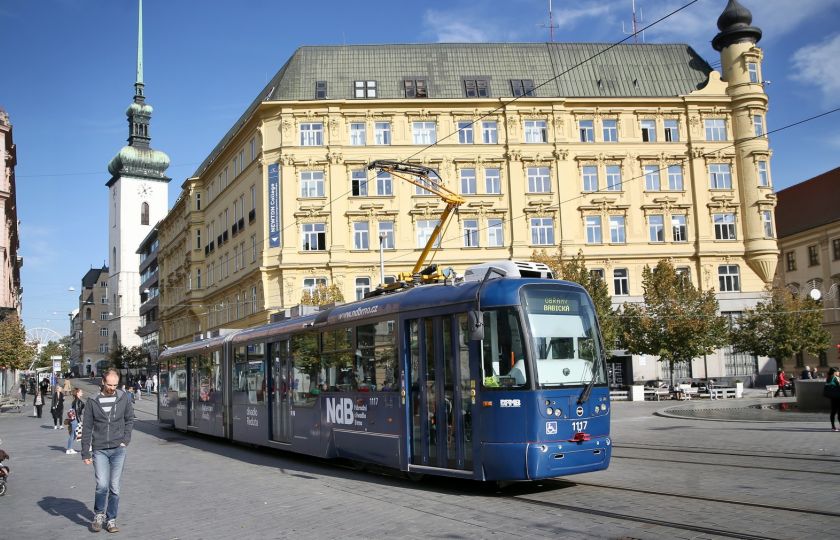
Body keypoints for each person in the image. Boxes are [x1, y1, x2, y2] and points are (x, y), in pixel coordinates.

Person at [81, 369, 135, 533]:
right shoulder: (92, 400)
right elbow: (87, 427)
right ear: (102, 382)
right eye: (110, 384)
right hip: (100, 449)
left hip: (118, 449)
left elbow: (129, 419)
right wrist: (85, 452)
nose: (113, 388)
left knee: (114, 487)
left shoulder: (122, 397)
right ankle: (99, 515)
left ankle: (111, 519)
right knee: (102, 485)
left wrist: (125, 440)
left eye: (115, 385)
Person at [66, 388, 85, 454]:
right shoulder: (77, 401)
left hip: (75, 419)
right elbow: (76, 412)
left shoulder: (77, 400)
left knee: (74, 435)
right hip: (75, 420)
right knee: (73, 435)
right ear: (77, 393)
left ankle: (69, 448)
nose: (82, 393)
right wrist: (79, 421)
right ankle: (69, 449)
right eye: (81, 392)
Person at [826, 367, 840, 432]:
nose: (839, 372)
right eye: (838, 371)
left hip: (832, 397)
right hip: (838, 397)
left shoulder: (828, 378)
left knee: (833, 412)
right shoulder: (836, 378)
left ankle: (833, 427)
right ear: (835, 372)